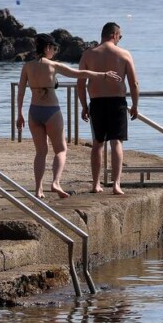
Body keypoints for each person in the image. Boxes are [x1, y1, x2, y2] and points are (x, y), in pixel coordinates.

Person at [16, 33, 119, 199]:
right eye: (53, 48)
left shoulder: (27, 66)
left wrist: (19, 114)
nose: (54, 51)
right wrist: (103, 75)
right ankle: (55, 182)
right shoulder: (53, 65)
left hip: (34, 111)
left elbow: (20, 91)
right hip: (51, 111)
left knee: (40, 152)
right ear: (47, 48)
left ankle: (38, 189)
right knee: (61, 149)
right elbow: (79, 73)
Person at [77, 22, 140, 195]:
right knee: (116, 142)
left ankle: (96, 184)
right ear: (114, 35)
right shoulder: (124, 54)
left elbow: (80, 84)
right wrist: (135, 105)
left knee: (97, 143)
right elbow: (133, 83)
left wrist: (84, 106)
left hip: (96, 102)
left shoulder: (88, 54)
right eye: (120, 36)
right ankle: (116, 184)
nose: (120, 39)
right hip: (117, 102)